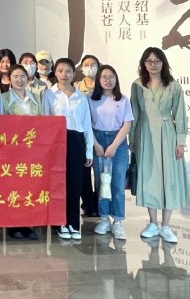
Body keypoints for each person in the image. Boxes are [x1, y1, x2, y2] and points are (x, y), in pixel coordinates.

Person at [130, 47, 190, 244]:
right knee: (149, 177)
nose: (153, 64)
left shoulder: (173, 86)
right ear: (143, 63)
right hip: (144, 134)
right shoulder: (137, 85)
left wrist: (180, 142)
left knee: (168, 178)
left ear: (163, 63)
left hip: (167, 134)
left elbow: (180, 115)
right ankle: (152, 223)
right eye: (149, 61)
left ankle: (166, 225)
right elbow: (134, 112)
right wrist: (132, 138)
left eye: (157, 61)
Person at [42, 58, 94, 241]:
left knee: (75, 184)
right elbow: (45, 121)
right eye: (60, 71)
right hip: (57, 141)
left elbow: (87, 125)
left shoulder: (81, 97)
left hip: (77, 141)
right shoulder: (49, 94)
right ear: (55, 73)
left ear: (73, 74)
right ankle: (60, 223)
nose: (64, 74)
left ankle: (73, 223)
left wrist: (89, 150)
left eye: (68, 71)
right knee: (58, 184)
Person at [89, 65, 133, 241]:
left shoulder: (123, 100)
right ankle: (104, 219)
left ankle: (118, 221)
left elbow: (127, 125)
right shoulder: (90, 99)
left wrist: (114, 146)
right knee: (101, 183)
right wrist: (96, 144)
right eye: (104, 77)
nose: (108, 80)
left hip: (118, 143)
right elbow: (87, 124)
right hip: (98, 140)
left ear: (116, 79)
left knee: (117, 183)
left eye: (111, 77)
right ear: (98, 80)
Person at [1, 65, 44, 241]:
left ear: (28, 78)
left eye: (23, 76)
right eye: (16, 76)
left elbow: (42, 122)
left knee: (30, 187)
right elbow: (0, 124)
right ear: (9, 79)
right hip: (12, 151)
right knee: (13, 187)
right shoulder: (3, 98)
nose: (20, 80)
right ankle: (14, 224)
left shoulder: (35, 98)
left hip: (32, 151)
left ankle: (28, 223)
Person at [75, 53, 101, 217]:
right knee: (85, 171)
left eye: (93, 65)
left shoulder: (103, 85)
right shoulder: (76, 87)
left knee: (100, 172)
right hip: (83, 132)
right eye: (86, 65)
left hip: (100, 132)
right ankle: (88, 203)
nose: (89, 68)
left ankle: (99, 203)